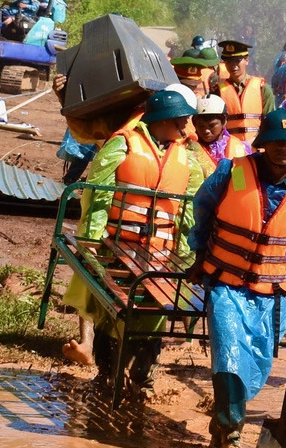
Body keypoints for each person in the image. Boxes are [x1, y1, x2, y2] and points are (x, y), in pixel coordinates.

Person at [187, 106, 286, 448]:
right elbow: (203, 208)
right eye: (275, 141)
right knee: (228, 357)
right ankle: (233, 433)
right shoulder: (231, 172)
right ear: (263, 144)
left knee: (255, 363)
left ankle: (224, 418)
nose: (281, 149)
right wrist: (200, 255)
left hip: (271, 292)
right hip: (226, 282)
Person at [60, 88, 204, 395]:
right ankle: (107, 372)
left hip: (162, 252)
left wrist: (185, 251)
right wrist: (93, 238)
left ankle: (143, 375)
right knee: (113, 310)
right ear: (162, 120)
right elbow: (99, 193)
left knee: (153, 314)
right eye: (180, 120)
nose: (185, 126)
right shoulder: (121, 144)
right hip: (118, 245)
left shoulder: (187, 155)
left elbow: (190, 207)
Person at [216, 39, 270, 145]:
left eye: (237, 60)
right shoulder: (217, 91)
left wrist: (256, 141)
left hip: (257, 148)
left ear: (247, 60)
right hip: (229, 149)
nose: (233, 65)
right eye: (229, 61)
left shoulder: (262, 88)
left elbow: (270, 122)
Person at [192, 94, 249, 168]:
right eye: (201, 126)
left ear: (224, 121)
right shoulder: (190, 149)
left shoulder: (242, 147)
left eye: (212, 125)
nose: (206, 131)